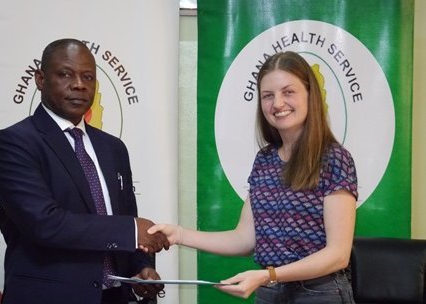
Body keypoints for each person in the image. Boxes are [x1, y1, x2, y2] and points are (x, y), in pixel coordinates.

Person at [149, 51, 358, 303]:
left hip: (319, 293)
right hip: (270, 292)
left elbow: (338, 254)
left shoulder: (334, 158)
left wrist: (268, 275)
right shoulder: (264, 160)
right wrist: (179, 235)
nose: (277, 103)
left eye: (288, 92)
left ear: (310, 95)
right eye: (268, 96)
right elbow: (245, 238)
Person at [0, 38, 169, 304]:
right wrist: (130, 231)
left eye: (88, 77)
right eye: (65, 74)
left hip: (115, 297)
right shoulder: (14, 143)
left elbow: (126, 216)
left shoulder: (113, 147)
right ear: (40, 79)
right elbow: (44, 224)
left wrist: (140, 268)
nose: (79, 85)